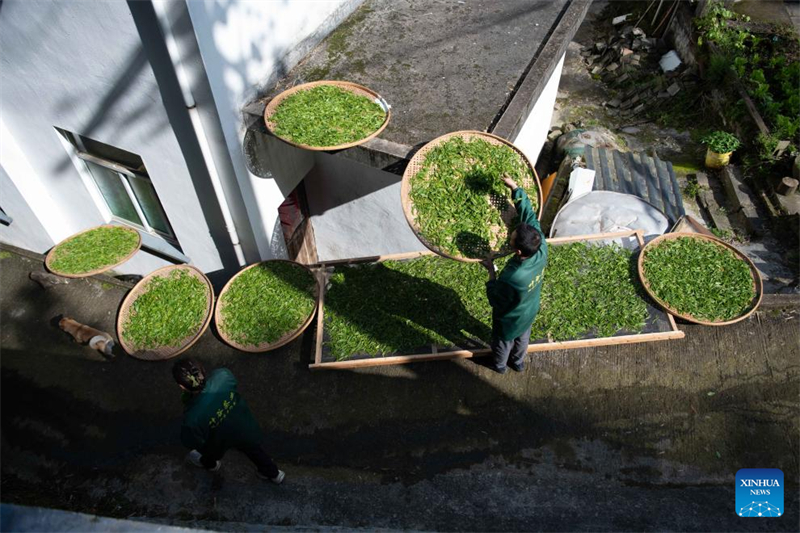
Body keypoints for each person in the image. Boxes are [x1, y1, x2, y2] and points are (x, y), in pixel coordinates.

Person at [172, 359, 285, 483]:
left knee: (209, 452)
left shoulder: (192, 418)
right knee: (253, 450)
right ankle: (273, 474)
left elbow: (190, 441)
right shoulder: (223, 376)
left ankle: (211, 465)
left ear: (182, 386)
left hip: (217, 440)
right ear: (202, 371)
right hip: (241, 426)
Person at [481, 175, 548, 374]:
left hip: (510, 318)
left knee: (503, 341)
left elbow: (495, 299)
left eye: (511, 239)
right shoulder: (540, 244)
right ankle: (518, 362)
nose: (510, 237)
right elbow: (528, 214)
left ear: (518, 251)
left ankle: (500, 365)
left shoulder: (513, 276)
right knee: (523, 337)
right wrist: (515, 188)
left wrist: (491, 270)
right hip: (530, 309)